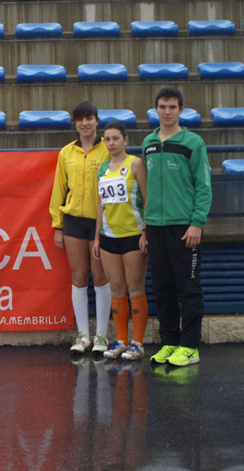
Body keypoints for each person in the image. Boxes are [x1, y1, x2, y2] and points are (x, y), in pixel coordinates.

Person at [143, 87, 212, 367]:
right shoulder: (148, 143)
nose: (167, 111)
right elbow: (143, 190)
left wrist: (197, 223)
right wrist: (146, 228)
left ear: (181, 110)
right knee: (163, 288)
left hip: (184, 228)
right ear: (155, 110)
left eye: (172, 107)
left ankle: (190, 347)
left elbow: (204, 187)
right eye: (162, 106)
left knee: (189, 289)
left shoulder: (193, 143)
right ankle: (169, 343)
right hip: (155, 227)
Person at [50, 101, 112, 356]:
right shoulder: (66, 153)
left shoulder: (108, 150)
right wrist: (57, 224)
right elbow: (59, 189)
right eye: (80, 119)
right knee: (78, 277)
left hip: (102, 221)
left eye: (89, 118)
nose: (85, 123)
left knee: (100, 277)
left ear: (97, 121)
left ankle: (102, 336)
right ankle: (83, 335)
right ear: (74, 123)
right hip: (74, 220)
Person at [91, 121, 149, 360]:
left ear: (125, 140)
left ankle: (138, 342)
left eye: (115, 138)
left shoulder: (135, 163)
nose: (111, 143)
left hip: (133, 235)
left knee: (135, 288)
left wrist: (146, 232)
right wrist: (96, 238)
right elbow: (100, 205)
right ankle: (122, 340)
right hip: (108, 237)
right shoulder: (103, 168)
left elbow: (148, 199)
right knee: (116, 288)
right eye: (107, 139)